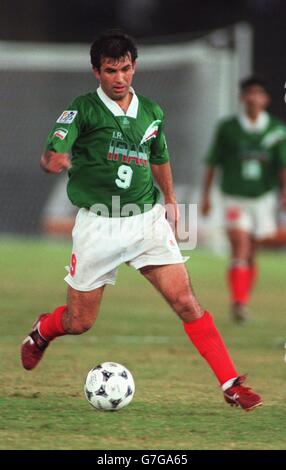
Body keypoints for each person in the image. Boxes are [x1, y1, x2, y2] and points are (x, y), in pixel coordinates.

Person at [21, 30, 262, 411]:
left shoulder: (151, 111)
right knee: (79, 321)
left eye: (126, 69)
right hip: (99, 225)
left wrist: (169, 199)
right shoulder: (81, 109)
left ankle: (231, 384)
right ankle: (42, 331)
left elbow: (159, 157)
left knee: (185, 301)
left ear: (135, 67)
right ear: (96, 72)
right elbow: (57, 144)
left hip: (145, 218)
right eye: (111, 70)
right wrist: (53, 158)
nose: (120, 78)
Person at [201, 77, 286, 322]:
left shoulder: (277, 130)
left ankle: (242, 297)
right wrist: (206, 196)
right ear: (242, 98)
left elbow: (282, 165)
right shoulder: (227, 128)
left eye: (259, 93)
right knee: (240, 244)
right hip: (233, 196)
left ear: (266, 99)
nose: (253, 98)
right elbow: (212, 163)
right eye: (249, 93)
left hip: (263, 198)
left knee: (251, 251)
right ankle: (239, 302)